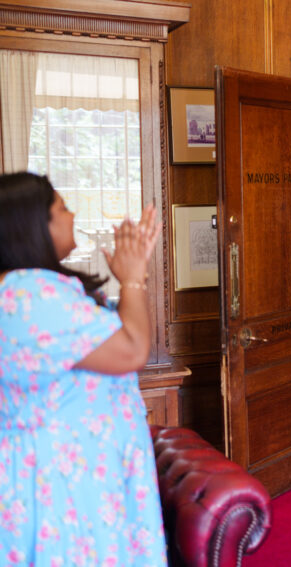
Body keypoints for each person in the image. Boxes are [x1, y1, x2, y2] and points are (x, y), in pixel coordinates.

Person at [0, 172, 167, 564]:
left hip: (74, 471)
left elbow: (115, 339)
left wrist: (133, 277)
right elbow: (131, 349)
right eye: (63, 208)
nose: (73, 215)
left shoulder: (33, 289)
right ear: (33, 227)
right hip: (61, 482)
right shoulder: (29, 295)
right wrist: (132, 279)